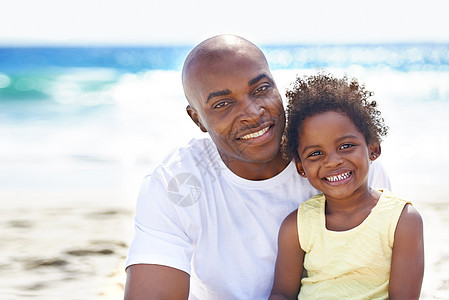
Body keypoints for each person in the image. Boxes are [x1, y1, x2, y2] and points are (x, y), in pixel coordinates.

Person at [124, 35, 391, 300]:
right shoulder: (176, 184)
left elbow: (379, 281)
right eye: (222, 104)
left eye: (261, 89)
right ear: (198, 119)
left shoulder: (346, 166)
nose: (253, 112)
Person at [269, 73, 424, 299]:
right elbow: (282, 294)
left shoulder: (402, 220)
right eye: (316, 153)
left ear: (373, 149)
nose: (332, 161)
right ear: (301, 167)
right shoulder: (297, 225)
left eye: (346, 146)